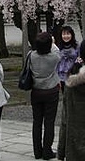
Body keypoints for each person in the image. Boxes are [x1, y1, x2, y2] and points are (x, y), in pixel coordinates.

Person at [30, 31, 61, 160]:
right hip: (51, 91)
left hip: (36, 90)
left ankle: (37, 151)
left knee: (37, 121)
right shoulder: (54, 57)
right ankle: (47, 151)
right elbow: (56, 50)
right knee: (49, 121)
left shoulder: (31, 55)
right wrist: (52, 43)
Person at [56, 26, 79, 92]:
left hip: (73, 75)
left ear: (72, 35)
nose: (66, 36)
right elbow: (57, 63)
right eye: (64, 34)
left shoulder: (76, 46)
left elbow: (80, 58)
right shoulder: (59, 47)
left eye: (68, 33)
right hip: (61, 76)